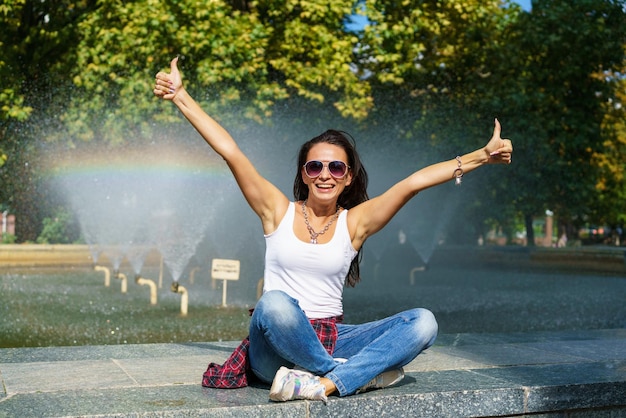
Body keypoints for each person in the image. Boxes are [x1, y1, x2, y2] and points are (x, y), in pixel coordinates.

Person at [153, 57, 512, 403]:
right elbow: (231, 152)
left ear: (348, 177)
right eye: (315, 166)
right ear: (304, 174)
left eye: (336, 167)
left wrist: (483, 155)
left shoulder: (353, 223)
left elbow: (412, 183)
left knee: (423, 322)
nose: (325, 174)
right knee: (273, 304)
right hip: (272, 350)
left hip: (331, 337)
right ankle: (352, 377)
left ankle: (322, 383)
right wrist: (181, 96)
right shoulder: (276, 211)